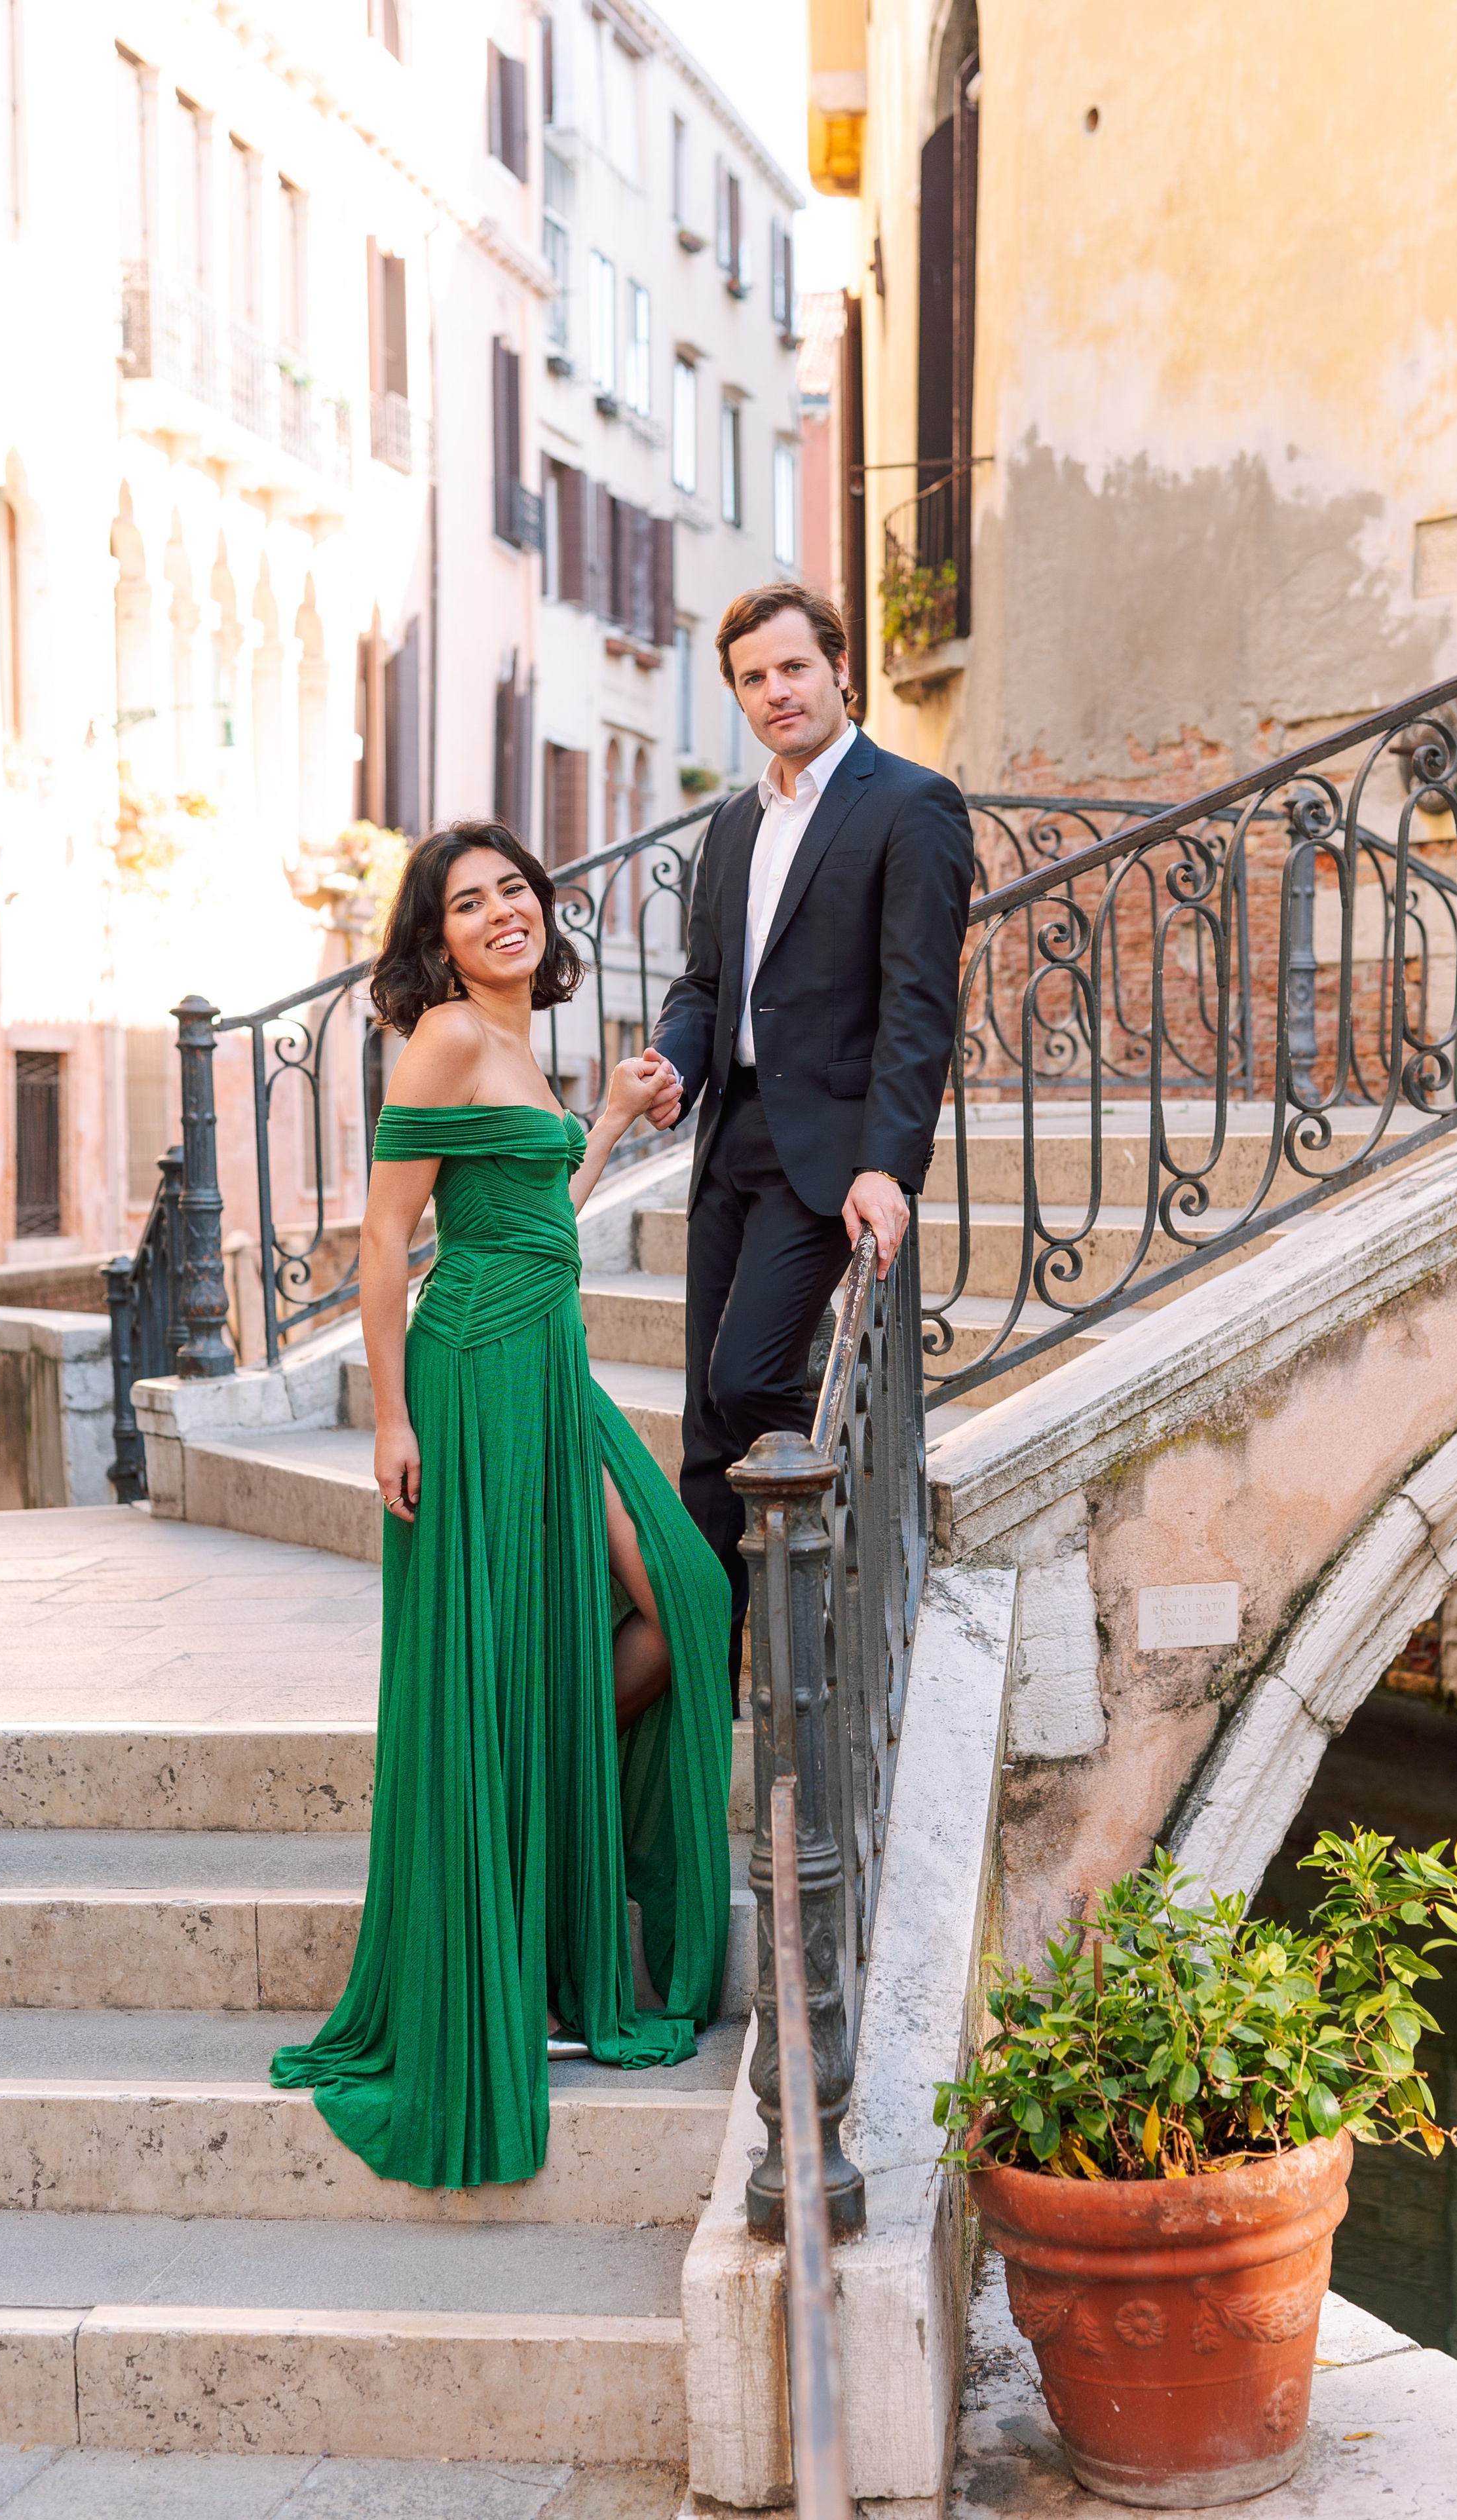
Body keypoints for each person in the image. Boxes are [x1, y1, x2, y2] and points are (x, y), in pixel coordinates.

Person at [272, 823, 732, 2192]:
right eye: (466, 904)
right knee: (661, 1598)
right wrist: (393, 1415)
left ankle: (540, 1840)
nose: (497, 913)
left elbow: (536, 1209)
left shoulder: (516, 1047)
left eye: (512, 890)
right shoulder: (445, 1041)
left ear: (543, 906)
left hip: (549, 1359)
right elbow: (382, 1237)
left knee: (682, 1597)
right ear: (439, 937)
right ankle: (498, 1940)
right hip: (474, 1370)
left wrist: (600, 1125)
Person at [646, 585, 974, 1701]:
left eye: (794, 669)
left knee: (750, 1381)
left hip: (826, 1157)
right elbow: (705, 985)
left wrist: (890, 1162)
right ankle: (713, 1675)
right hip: (729, 1136)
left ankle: (821, 1585)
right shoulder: (734, 822)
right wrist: (675, 1066)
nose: (775, 692)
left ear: (841, 669)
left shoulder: (913, 806)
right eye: (753, 677)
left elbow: (918, 1002)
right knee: (703, 1424)